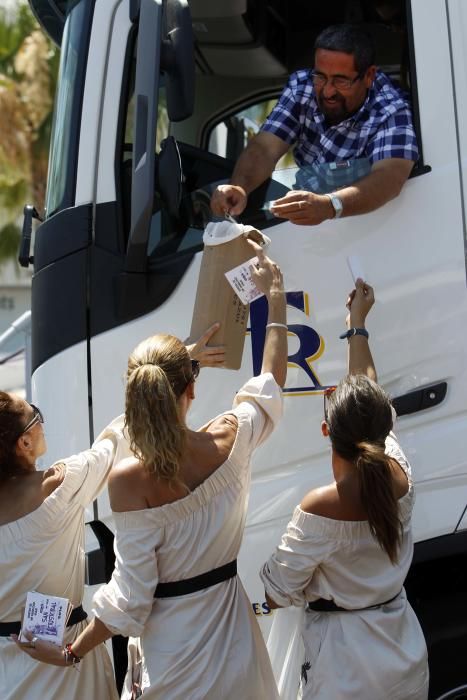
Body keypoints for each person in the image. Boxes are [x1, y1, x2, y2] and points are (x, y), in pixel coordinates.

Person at [16, 242, 288, 700]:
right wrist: (274, 297)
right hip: (239, 654)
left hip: (176, 669)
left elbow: (131, 595)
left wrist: (71, 653)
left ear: (134, 397)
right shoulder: (231, 438)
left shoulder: (128, 479)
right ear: (192, 392)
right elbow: (271, 377)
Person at [0, 324, 225, 700]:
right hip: (62, 665)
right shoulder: (58, 486)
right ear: (24, 442)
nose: (42, 421)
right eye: (35, 414)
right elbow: (120, 436)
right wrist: (167, 374)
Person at [260, 279, 429, 699]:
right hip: (405, 657)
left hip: (344, 672)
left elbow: (277, 592)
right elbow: (372, 400)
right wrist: (357, 325)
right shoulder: (399, 471)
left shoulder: (320, 507)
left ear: (325, 432)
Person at [211, 23, 418, 226]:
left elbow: (390, 176)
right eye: (321, 76)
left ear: (369, 76)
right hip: (305, 220)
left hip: (364, 224)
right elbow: (265, 148)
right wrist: (240, 187)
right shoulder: (302, 86)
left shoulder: (391, 109)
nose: (327, 91)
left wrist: (330, 205)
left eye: (340, 81)